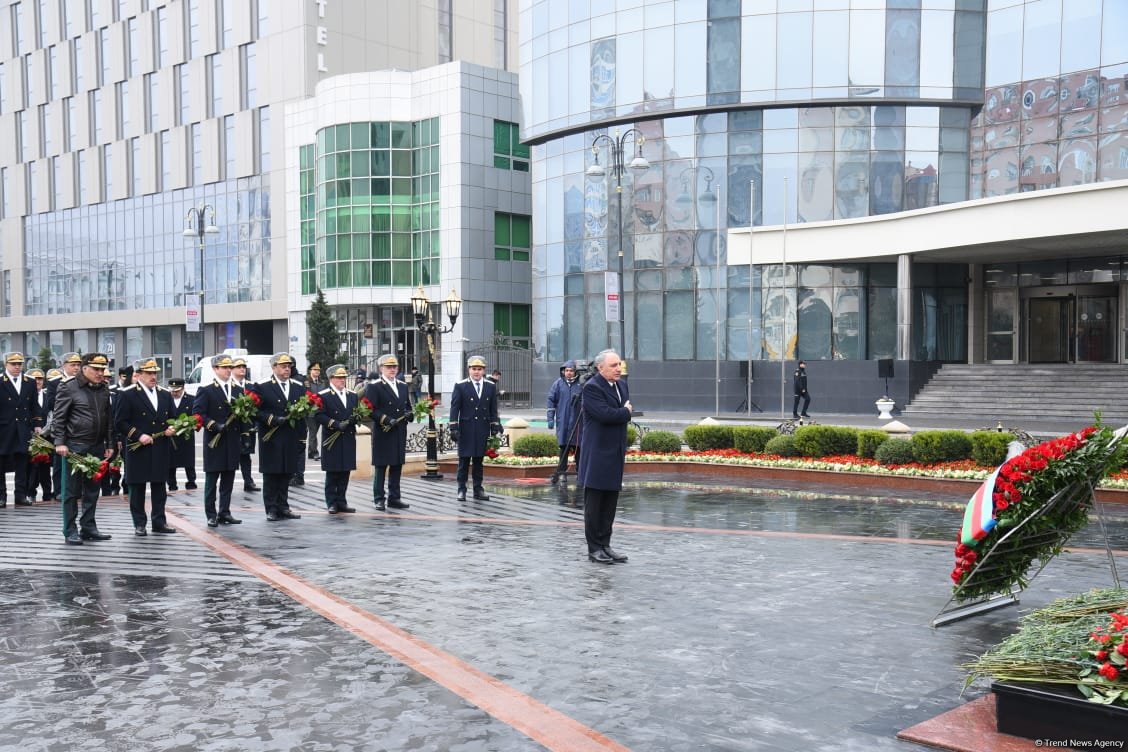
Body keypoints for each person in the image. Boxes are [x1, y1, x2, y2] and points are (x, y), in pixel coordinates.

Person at [52, 352, 115, 545]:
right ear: (84, 368)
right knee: (71, 492)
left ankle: (88, 526)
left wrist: (110, 444)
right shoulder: (68, 387)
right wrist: (60, 443)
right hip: (74, 447)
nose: (100, 373)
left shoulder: (103, 389)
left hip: (96, 446)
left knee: (92, 490)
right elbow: (59, 418)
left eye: (102, 369)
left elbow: (108, 420)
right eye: (96, 369)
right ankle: (70, 529)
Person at [577, 349, 633, 564]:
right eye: (613, 365)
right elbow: (605, 414)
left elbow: (617, 414)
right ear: (600, 368)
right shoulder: (592, 388)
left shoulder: (622, 385)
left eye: (619, 364)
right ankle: (594, 549)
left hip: (615, 451)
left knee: (610, 502)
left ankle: (605, 545)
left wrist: (623, 413)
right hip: (597, 453)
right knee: (595, 505)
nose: (618, 369)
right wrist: (626, 412)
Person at [114, 358, 178, 536]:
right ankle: (139, 523)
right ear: (138, 374)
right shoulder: (127, 394)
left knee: (159, 486)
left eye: (155, 373)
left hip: (160, 446)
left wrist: (172, 428)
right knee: (137, 487)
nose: (153, 376)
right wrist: (138, 434)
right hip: (138, 447)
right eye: (149, 373)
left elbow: (173, 417)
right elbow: (120, 422)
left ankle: (159, 521)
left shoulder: (164, 394)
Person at [193, 354, 244, 528]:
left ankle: (225, 512)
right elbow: (198, 414)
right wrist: (214, 425)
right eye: (225, 367)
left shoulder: (237, 390)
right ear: (215, 369)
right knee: (212, 481)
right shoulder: (206, 390)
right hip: (215, 440)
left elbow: (243, 416)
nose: (228, 370)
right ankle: (211, 514)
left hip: (231, 440)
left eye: (230, 367)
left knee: (228, 479)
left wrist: (245, 432)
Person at [254, 353, 304, 521]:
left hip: (290, 436)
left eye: (289, 366)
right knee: (271, 474)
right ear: (274, 367)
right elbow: (255, 411)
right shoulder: (262, 386)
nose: (287, 369)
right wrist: (272, 419)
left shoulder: (298, 386)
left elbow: (303, 415)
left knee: (286, 473)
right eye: (283, 366)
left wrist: (302, 439)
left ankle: (283, 506)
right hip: (271, 437)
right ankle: (271, 508)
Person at [448, 355, 501, 502]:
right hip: (466, 428)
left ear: (484, 371)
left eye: (479, 369)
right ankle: (461, 489)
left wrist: (494, 425)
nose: (476, 372)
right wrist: (453, 427)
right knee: (464, 461)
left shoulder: (490, 386)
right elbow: (455, 408)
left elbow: (493, 409)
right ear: (468, 370)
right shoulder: (460, 385)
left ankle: (478, 489)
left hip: (482, 428)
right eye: (474, 369)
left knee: (478, 461)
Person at [364, 354, 413, 510]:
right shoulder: (374, 386)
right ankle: (379, 498)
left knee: (397, 464)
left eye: (394, 367)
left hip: (399, 430)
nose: (392, 370)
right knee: (381, 466)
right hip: (384, 430)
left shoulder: (403, 385)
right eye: (388, 367)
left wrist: (409, 414)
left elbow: (407, 406)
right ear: (381, 369)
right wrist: (385, 419)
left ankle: (394, 497)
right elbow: (370, 410)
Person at [316, 364, 358, 514]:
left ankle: (342, 501)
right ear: (331, 379)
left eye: (344, 378)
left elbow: (356, 412)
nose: (342, 380)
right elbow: (319, 415)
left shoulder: (352, 395)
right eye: (339, 378)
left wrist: (355, 419)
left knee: (345, 471)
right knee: (333, 472)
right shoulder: (324, 395)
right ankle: (331, 502)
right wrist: (335, 424)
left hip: (347, 437)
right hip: (332, 437)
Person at [0, 352, 37, 508]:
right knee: (1, 462)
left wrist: (37, 424)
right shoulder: (1, 381)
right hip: (3, 428)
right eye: (13, 364)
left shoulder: (30, 382)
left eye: (19, 364)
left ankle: (20, 495)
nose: (17, 367)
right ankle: (1, 496)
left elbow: (34, 405)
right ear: (5, 364)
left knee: (22, 462)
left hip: (23, 427)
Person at [48, 353, 82, 500]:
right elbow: (50, 404)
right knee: (60, 463)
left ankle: (76, 490)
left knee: (78, 460)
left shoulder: (82, 381)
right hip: (63, 426)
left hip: (79, 428)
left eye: (78, 365)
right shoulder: (55, 382)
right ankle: (59, 491)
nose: (76, 368)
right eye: (72, 365)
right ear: (64, 366)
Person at [546, 360, 583, 485]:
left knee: (579, 448)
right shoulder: (558, 384)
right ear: (563, 371)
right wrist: (550, 418)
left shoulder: (581, 385)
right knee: (563, 448)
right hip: (563, 422)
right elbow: (551, 400)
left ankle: (581, 473)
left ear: (575, 372)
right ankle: (562, 474)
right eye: (566, 370)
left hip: (578, 422)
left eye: (571, 370)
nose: (568, 373)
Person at [231, 357, 260, 492]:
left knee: (245, 454)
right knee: (232, 455)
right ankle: (228, 482)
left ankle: (248, 481)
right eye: (239, 367)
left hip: (248, 425)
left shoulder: (251, 385)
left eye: (244, 367)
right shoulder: (229, 385)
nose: (242, 369)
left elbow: (257, 405)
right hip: (232, 424)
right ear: (232, 369)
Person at [165, 378, 198, 491]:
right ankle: (172, 484)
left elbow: (195, 417)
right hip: (171, 436)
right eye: (172, 390)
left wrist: (187, 425)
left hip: (186, 436)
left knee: (188, 460)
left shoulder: (191, 400)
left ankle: (191, 481)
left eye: (177, 390)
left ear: (183, 388)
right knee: (170, 462)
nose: (174, 393)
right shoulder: (166, 399)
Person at [27, 368, 52, 503]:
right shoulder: (25, 396)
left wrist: (44, 431)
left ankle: (47, 493)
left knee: (45, 468)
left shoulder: (48, 395)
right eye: (35, 379)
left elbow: (51, 416)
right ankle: (30, 492)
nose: (38, 381)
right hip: (30, 438)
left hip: (46, 438)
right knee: (31, 468)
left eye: (40, 379)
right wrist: (33, 433)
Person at [302, 362, 324, 461]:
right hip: (310, 411)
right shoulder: (306, 382)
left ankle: (311, 452)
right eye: (315, 370)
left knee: (314, 432)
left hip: (319, 411)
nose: (317, 372)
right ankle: (315, 452)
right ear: (310, 371)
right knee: (313, 431)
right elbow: (304, 396)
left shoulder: (322, 382)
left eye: (318, 370)